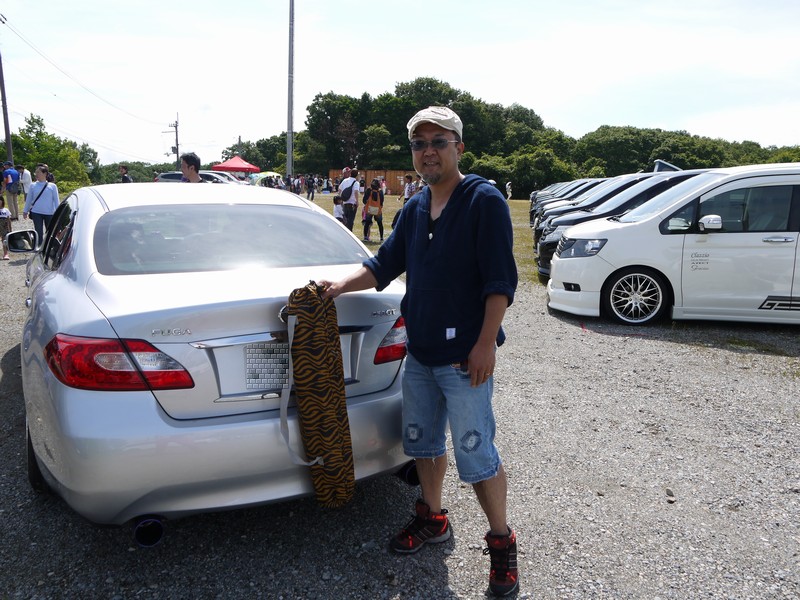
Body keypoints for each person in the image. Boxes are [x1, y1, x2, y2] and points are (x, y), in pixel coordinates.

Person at [320, 106, 519, 597]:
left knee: (476, 453)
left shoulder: (483, 201)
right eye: (419, 143)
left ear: (458, 147)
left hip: (464, 359)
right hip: (421, 354)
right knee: (423, 445)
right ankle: (433, 518)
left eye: (438, 141)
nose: (428, 151)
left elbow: (500, 281)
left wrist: (485, 345)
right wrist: (337, 286)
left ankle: (501, 542)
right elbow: (382, 264)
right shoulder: (413, 208)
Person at [23, 165, 60, 246]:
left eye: (38, 172)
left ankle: (49, 247)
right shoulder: (33, 185)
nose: (36, 174)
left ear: (45, 174)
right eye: (36, 172)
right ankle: (39, 247)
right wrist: (25, 211)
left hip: (49, 213)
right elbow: (29, 199)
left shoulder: (52, 186)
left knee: (50, 231)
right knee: (38, 231)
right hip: (36, 212)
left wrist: (58, 213)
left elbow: (56, 200)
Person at [361, 178, 384, 242]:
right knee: (380, 224)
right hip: (377, 210)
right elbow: (382, 201)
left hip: (369, 209)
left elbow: (364, 200)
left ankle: (365, 237)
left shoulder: (368, 190)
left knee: (367, 223)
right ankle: (381, 237)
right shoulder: (380, 192)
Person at [338, 167, 360, 231]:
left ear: (350, 174)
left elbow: (339, 189)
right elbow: (356, 192)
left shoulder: (345, 180)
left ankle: (344, 232)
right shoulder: (356, 183)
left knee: (345, 220)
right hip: (352, 204)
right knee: (350, 220)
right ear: (356, 175)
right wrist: (357, 201)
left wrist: (341, 198)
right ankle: (349, 232)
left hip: (345, 203)